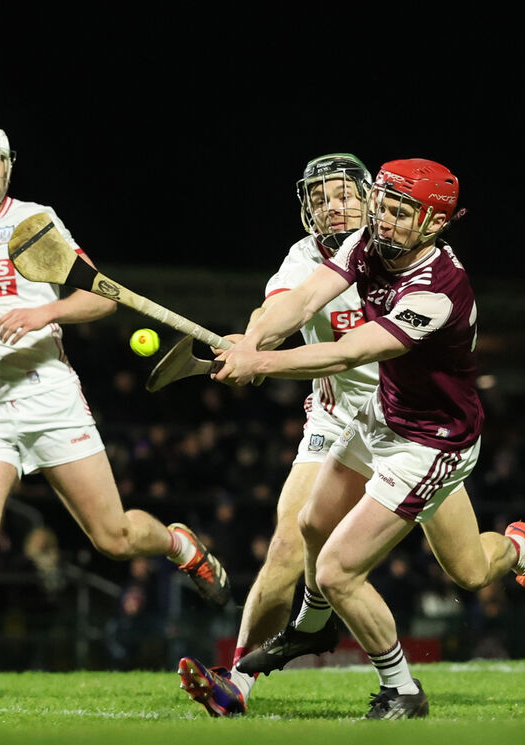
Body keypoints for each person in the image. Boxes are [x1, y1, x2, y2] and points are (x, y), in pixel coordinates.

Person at [212, 159, 525, 719]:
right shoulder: (369, 241)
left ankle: (403, 688)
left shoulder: (437, 293)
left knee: (359, 571)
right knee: (308, 524)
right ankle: (308, 631)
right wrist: (252, 340)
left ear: (433, 225)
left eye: (400, 212)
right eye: (382, 203)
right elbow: (301, 302)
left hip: (430, 440)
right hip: (382, 413)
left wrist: (263, 361)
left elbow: (349, 352)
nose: (382, 218)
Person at [0, 123, 231, 701]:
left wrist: (41, 315)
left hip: (50, 398)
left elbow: (102, 294)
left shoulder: (35, 223)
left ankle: (181, 546)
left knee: (115, 537)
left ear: (8, 168)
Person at [176, 154, 379, 717]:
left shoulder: (396, 254)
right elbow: (280, 308)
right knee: (286, 549)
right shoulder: (303, 255)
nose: (331, 206)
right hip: (335, 422)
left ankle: (515, 552)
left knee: (467, 568)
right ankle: (238, 680)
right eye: (319, 198)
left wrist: (260, 356)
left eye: (342, 194)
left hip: (410, 426)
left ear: (368, 198)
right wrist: (252, 342)